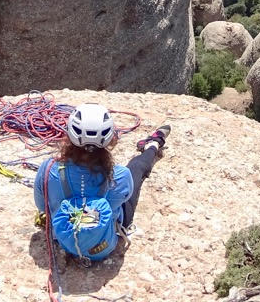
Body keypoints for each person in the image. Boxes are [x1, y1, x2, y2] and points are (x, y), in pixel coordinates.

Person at [33, 103, 170, 262]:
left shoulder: (48, 168)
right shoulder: (120, 175)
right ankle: (153, 145)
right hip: (105, 241)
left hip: (64, 237)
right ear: (110, 139)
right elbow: (122, 199)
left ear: (68, 135)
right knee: (136, 168)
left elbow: (42, 206)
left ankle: (153, 144)